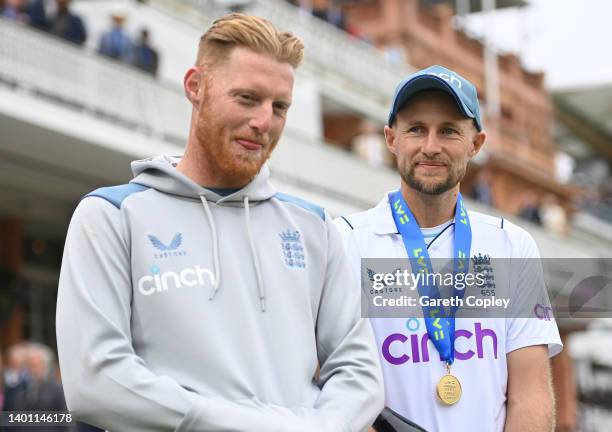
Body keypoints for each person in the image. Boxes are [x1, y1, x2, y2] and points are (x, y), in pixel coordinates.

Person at [57, 13, 383, 431]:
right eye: (247, 98)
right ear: (196, 86)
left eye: (279, 106)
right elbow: (95, 382)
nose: (264, 122)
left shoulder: (315, 226)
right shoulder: (111, 216)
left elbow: (359, 374)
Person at [335, 65, 563, 432]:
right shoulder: (343, 241)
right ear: (391, 139)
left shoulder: (511, 244)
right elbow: (326, 383)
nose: (430, 147)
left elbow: (531, 394)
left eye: (449, 131)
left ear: (476, 144)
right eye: (416, 130)